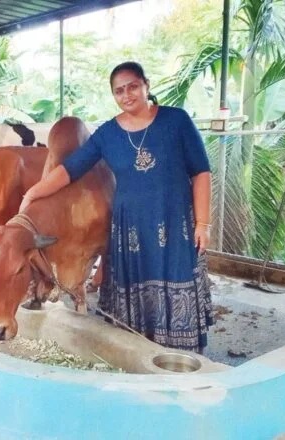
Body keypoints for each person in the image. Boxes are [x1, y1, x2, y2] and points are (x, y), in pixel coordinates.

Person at [19, 61, 213, 352]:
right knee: (137, 283)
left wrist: (203, 223)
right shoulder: (108, 133)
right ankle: (140, 352)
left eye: (132, 86)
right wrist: (33, 192)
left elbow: (201, 171)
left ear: (146, 85)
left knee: (176, 275)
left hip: (175, 223)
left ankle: (177, 354)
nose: (127, 95)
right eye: (119, 91)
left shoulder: (177, 120)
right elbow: (71, 169)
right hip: (130, 225)